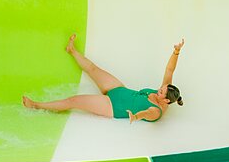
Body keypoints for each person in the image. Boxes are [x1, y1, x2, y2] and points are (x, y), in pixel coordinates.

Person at [22, 34, 184, 123]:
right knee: (93, 69)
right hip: (120, 90)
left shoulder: (157, 110)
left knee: (74, 101)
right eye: (161, 88)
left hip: (113, 106)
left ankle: (35, 105)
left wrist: (135, 116)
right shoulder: (166, 92)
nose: (159, 89)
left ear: (166, 101)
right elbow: (169, 69)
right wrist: (176, 52)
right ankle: (71, 50)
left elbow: (146, 114)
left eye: (161, 91)